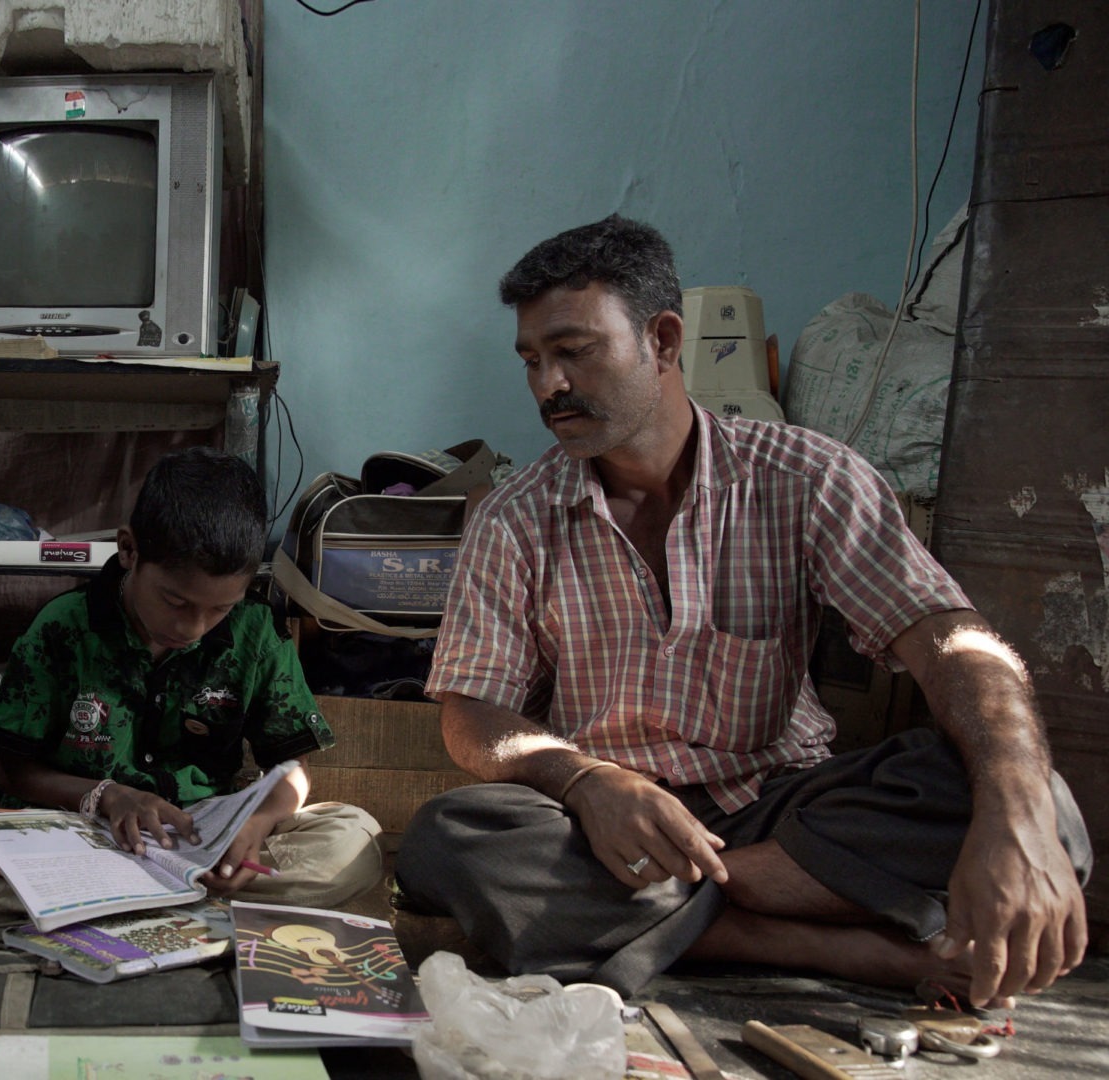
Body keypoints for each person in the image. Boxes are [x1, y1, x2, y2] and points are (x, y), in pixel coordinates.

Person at [396, 215, 1091, 1006]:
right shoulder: (514, 516)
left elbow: (954, 643)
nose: (548, 385)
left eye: (573, 351)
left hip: (787, 818)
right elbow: (473, 715)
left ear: (663, 341)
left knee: (1038, 806)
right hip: (612, 828)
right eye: (532, 360)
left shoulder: (807, 477)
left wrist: (1013, 809)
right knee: (451, 841)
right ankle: (833, 946)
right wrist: (582, 779)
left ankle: (706, 900)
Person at [0, 447, 382, 923]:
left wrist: (257, 823)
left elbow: (290, 770)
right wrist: (109, 796)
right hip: (85, 832)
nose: (194, 627)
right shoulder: (63, 627)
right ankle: (171, 903)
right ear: (129, 549)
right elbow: (13, 773)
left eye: (219, 609)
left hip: (201, 838)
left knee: (354, 841)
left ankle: (131, 902)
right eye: (175, 600)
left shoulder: (255, 630)